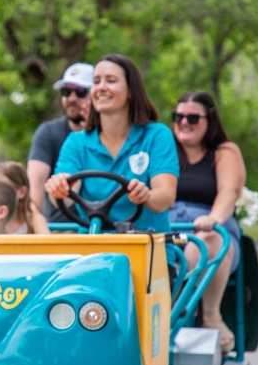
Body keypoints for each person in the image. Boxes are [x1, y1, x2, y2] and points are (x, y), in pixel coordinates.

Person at [44, 54, 179, 271]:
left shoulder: (156, 135)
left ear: (131, 91)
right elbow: (67, 191)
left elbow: (165, 196)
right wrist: (59, 188)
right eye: (96, 82)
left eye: (111, 81)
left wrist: (146, 195)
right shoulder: (77, 142)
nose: (101, 87)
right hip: (93, 256)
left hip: (148, 256)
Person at [170, 90, 246, 352]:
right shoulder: (165, 151)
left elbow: (229, 191)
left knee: (206, 241)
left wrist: (212, 218)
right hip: (170, 231)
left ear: (209, 120)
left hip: (213, 231)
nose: (184, 122)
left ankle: (208, 315)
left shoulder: (223, 152)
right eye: (178, 116)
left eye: (193, 117)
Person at [27, 62, 94, 222]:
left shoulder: (112, 136)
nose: (71, 98)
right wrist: (33, 225)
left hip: (108, 228)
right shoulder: (49, 132)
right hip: (63, 229)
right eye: (66, 91)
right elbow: (35, 185)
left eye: (80, 92)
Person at [0, 161, 50, 234]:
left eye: (4, 189)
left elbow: (49, 244)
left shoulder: (32, 220)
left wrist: (35, 215)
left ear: (22, 192)